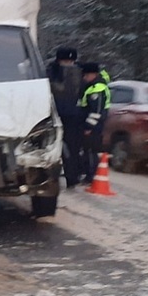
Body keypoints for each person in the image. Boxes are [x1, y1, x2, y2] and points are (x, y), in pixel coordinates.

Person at [47, 46, 84, 189]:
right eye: (65, 60)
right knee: (54, 147)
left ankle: (72, 177)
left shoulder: (79, 73)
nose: (68, 63)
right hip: (56, 114)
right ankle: (54, 177)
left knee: (72, 148)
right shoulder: (52, 72)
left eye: (70, 60)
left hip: (71, 116)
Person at [79, 61, 110, 184]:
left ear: (92, 74)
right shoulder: (94, 86)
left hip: (94, 126)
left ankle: (91, 176)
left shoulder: (97, 89)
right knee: (88, 150)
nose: (84, 78)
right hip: (94, 125)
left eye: (86, 76)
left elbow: (96, 111)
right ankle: (88, 174)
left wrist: (88, 127)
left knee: (90, 151)